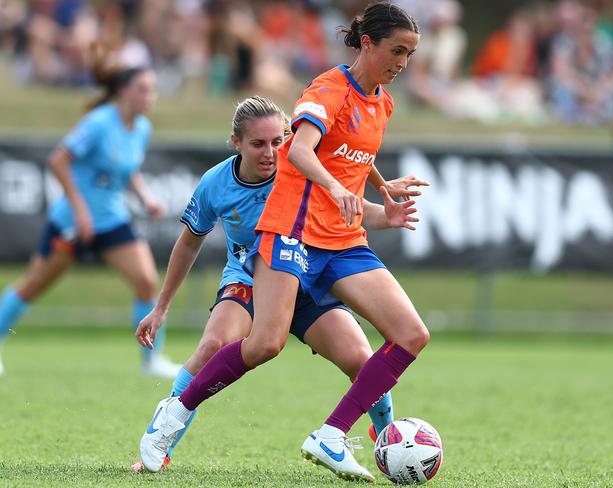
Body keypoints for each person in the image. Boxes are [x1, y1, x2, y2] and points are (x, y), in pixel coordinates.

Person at [139, 2, 427, 482]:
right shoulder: (328, 88)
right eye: (397, 51)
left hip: (342, 241)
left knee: (410, 335)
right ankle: (174, 415)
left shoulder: (383, 100)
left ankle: (332, 435)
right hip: (292, 232)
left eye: (410, 55)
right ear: (368, 43)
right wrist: (335, 189)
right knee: (264, 344)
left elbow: (351, 150)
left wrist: (382, 192)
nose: (403, 63)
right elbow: (301, 146)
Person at [0, 56, 179, 378]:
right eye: (143, 89)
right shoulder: (99, 122)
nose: (149, 97)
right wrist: (81, 211)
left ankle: (151, 360)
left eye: (152, 90)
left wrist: (145, 198)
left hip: (111, 219)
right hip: (72, 221)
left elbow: (128, 168)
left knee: (146, 281)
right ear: (123, 92)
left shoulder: (141, 127)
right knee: (32, 286)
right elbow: (58, 161)